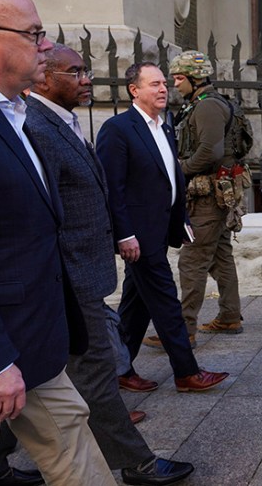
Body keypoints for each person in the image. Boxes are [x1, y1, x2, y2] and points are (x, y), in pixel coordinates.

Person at [21, 44, 195, 486]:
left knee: (42, 374)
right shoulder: (38, 126)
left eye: (86, 70)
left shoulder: (61, 121)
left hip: (84, 271)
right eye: (74, 71)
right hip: (69, 274)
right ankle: (137, 463)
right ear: (42, 77)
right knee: (95, 370)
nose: (86, 78)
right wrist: (123, 233)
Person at [0, 0, 115, 485]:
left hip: (33, 343)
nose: (47, 46)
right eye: (34, 34)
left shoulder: (13, 113)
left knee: (77, 451)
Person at [97, 61, 229, 394]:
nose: (162, 89)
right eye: (153, 84)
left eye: (164, 84)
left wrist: (180, 220)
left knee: (136, 303)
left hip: (160, 228)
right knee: (166, 300)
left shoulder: (165, 125)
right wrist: (124, 234)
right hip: (138, 235)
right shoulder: (118, 129)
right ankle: (186, 372)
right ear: (133, 90)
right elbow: (112, 187)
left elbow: (169, 177)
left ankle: (119, 368)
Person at [139, 50, 244, 349]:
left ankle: (183, 330)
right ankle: (229, 316)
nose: (173, 84)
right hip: (216, 193)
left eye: (178, 78)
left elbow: (209, 153)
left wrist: (176, 169)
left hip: (208, 196)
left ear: (194, 78)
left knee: (192, 261)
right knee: (221, 255)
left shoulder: (208, 107)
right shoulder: (207, 103)